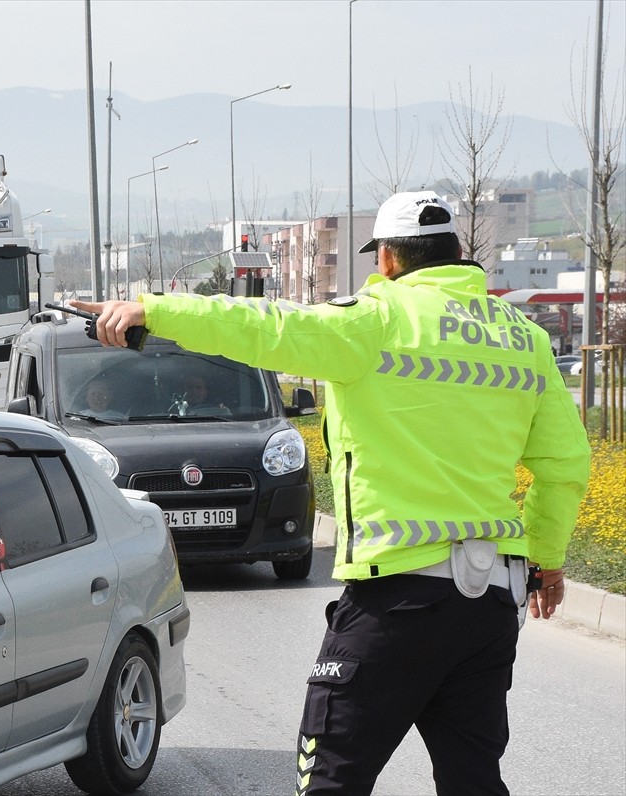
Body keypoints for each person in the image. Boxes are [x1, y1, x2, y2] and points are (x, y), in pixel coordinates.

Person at [73, 190, 591, 795]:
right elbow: (565, 466)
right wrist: (548, 562)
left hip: (397, 601)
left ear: (391, 260)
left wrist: (151, 311)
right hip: (489, 608)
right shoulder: (523, 339)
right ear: (457, 254)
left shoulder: (375, 321)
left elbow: (265, 326)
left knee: (330, 781)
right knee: (473, 779)